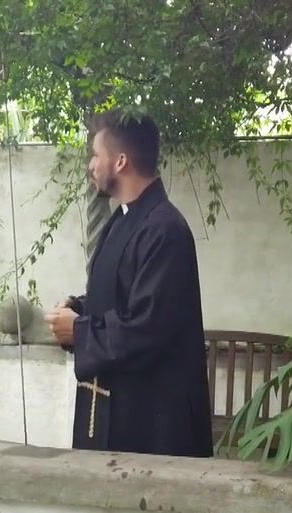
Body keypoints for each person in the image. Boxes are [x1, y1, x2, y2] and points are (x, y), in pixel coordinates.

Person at [45, 110, 213, 458]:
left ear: (120, 161)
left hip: (151, 425)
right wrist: (79, 308)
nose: (91, 166)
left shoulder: (165, 230)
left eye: (96, 155)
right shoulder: (125, 219)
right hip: (113, 411)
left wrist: (79, 331)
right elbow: (121, 295)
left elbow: (148, 326)